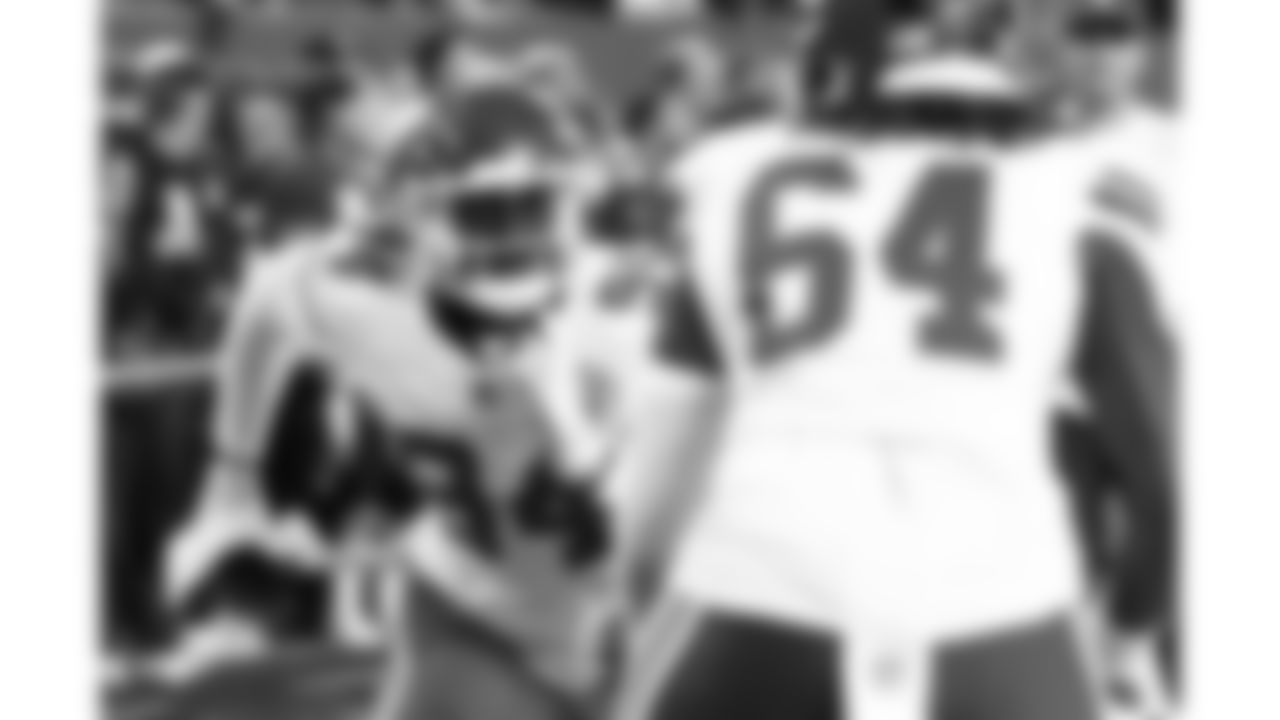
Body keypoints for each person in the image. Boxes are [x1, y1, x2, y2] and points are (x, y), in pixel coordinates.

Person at [607, 3, 1176, 720]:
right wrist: (1128, 637)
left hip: (765, 592)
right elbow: (1169, 475)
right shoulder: (1077, 198)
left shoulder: (735, 188)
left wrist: (643, 611)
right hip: (998, 610)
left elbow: (656, 492)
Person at [166, 80, 644, 719]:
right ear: (419, 218)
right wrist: (233, 470)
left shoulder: (621, 313)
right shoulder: (364, 300)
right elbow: (263, 307)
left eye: (535, 207)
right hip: (472, 606)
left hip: (627, 616)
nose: (514, 237)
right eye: (484, 213)